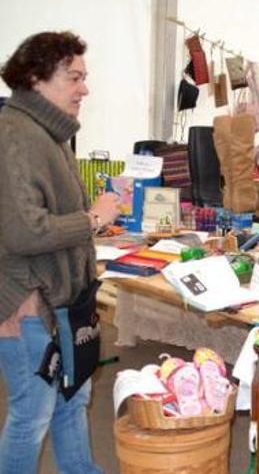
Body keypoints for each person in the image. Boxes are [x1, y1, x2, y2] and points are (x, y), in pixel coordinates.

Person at [0, 31, 121, 473]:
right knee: (33, 412)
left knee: (73, 397)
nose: (84, 88)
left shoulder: (48, 133)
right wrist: (93, 219)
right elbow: (24, 232)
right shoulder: (13, 135)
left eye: (84, 77)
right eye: (74, 77)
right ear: (35, 78)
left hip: (62, 301)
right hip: (28, 303)